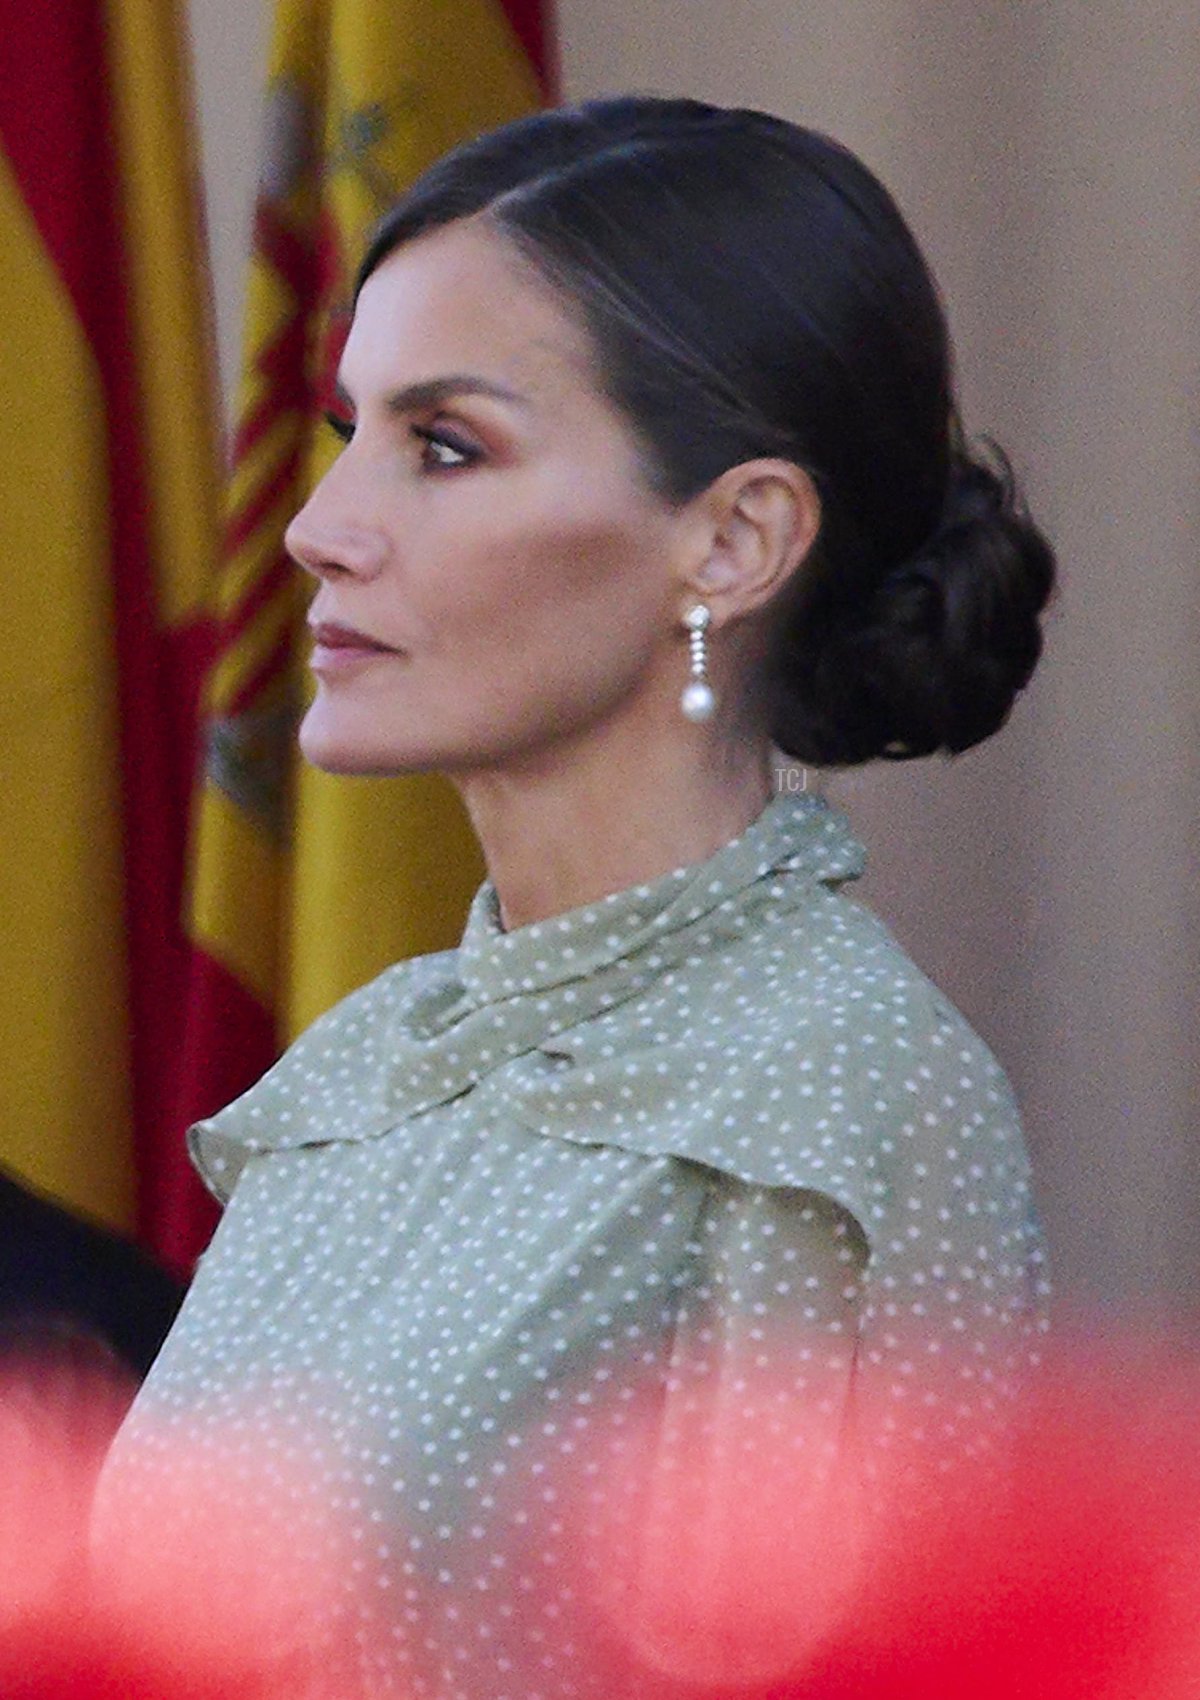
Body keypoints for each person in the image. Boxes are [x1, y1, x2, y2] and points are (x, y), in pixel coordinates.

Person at [95, 97, 1056, 1697]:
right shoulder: (376, 1063)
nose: (317, 530)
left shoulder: (842, 1089)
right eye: (347, 434)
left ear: (734, 541)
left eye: (445, 446)